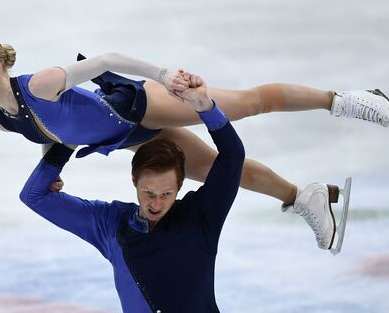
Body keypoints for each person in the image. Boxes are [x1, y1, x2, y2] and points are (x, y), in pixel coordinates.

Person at [0, 34, 389, 250]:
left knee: (245, 105)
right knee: (218, 170)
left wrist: (164, 76)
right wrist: (53, 168)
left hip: (138, 106)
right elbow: (52, 132)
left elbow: (107, 59)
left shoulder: (40, 84)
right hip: (127, 137)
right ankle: (302, 196)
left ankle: (347, 101)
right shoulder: (5, 120)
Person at [20, 74, 244, 312]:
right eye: (148, 192)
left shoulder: (200, 216)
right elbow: (34, 196)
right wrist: (66, 145)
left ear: (179, 186)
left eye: (166, 194)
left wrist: (204, 106)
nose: (156, 203)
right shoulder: (112, 225)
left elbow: (233, 157)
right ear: (134, 181)